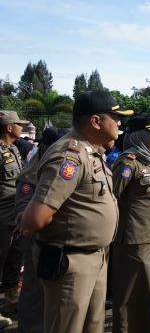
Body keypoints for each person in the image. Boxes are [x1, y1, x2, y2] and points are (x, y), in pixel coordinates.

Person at [20, 91, 132, 333]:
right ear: (95, 121)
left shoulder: (91, 152)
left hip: (94, 257)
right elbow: (35, 218)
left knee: (92, 326)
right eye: (115, 117)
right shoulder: (69, 156)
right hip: (72, 264)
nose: (120, 122)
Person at [111, 115, 150, 333]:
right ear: (138, 136)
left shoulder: (147, 161)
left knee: (146, 291)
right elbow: (112, 198)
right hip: (132, 239)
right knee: (129, 293)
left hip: (149, 236)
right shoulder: (128, 163)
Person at [16, 127, 68, 333]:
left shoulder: (55, 169)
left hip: (56, 242)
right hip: (37, 240)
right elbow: (23, 207)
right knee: (34, 291)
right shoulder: (32, 173)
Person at [0, 110, 29, 328]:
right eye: (18, 124)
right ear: (9, 127)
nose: (22, 127)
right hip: (1, 216)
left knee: (14, 257)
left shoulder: (13, 149)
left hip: (14, 214)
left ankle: (10, 297)